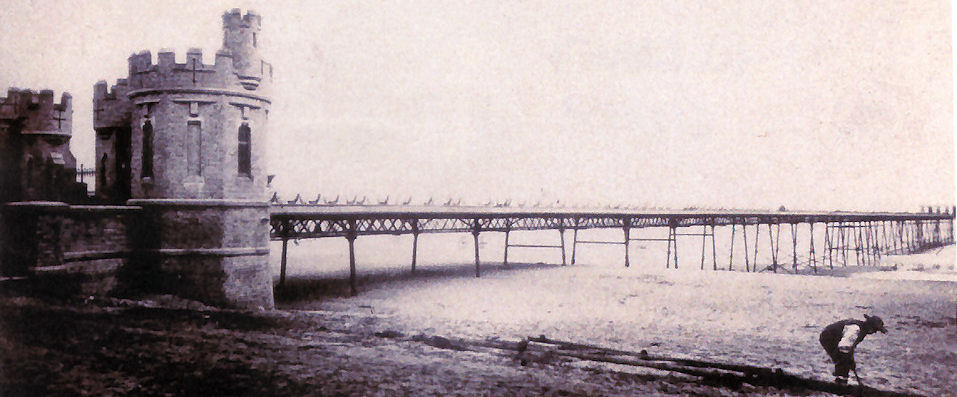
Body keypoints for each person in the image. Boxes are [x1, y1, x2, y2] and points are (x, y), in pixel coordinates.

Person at [819, 314, 888, 384]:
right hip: (828, 337)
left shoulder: (862, 330)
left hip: (836, 339)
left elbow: (850, 346)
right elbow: (844, 346)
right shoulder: (856, 328)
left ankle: (840, 380)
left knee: (844, 360)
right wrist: (850, 359)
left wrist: (851, 360)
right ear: (870, 327)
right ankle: (840, 383)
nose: (875, 332)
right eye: (875, 330)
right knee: (843, 360)